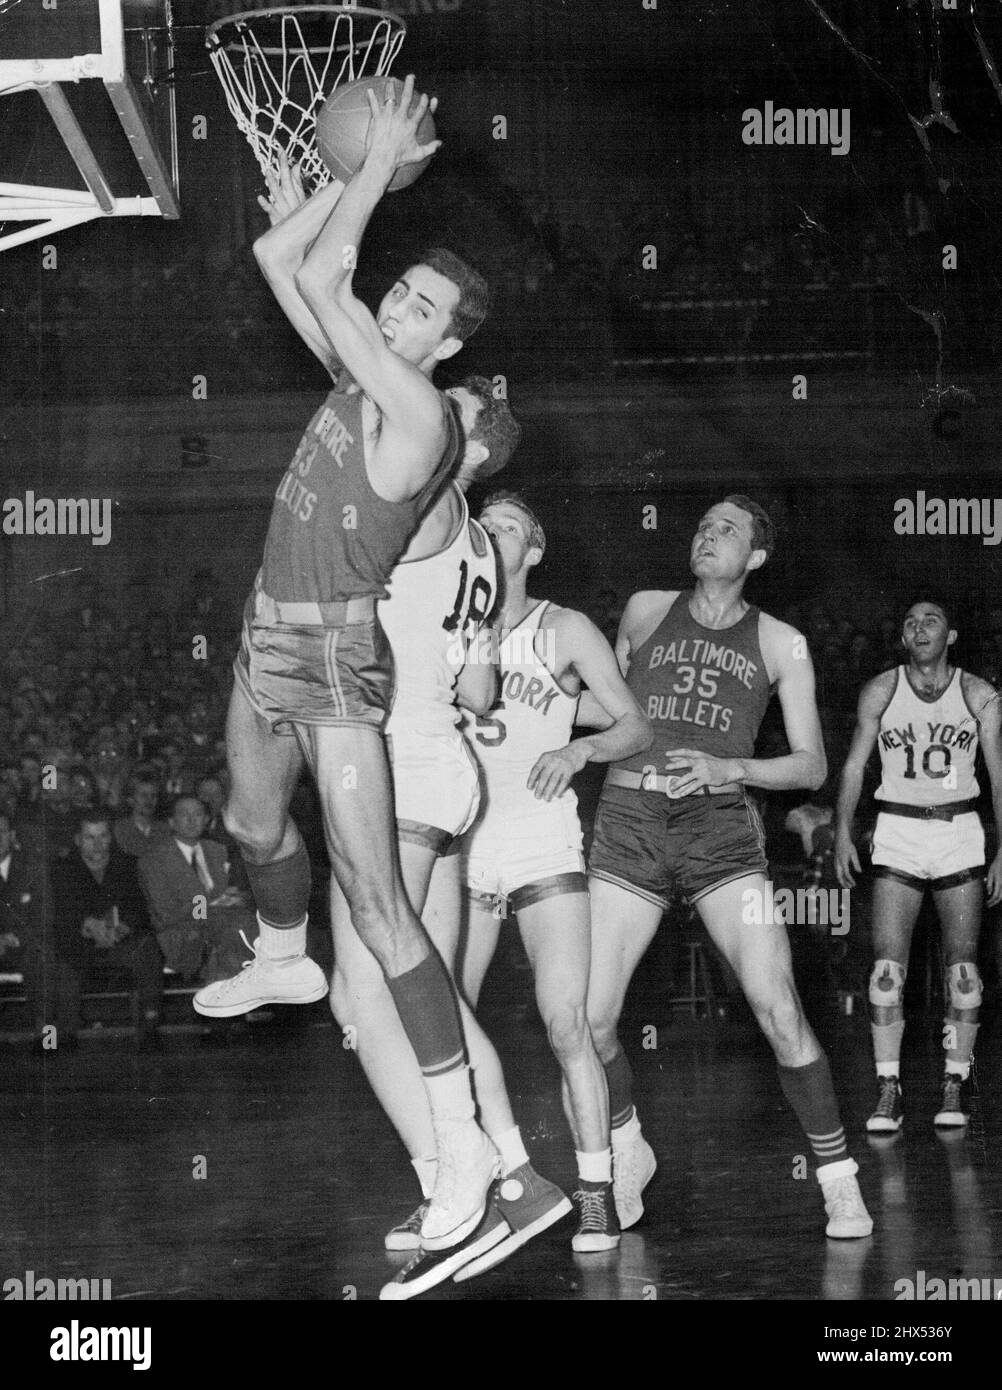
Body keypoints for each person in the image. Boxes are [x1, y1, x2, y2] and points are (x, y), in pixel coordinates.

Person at [192, 78, 499, 1252]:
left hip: (335, 653)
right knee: (251, 825)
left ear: (449, 343)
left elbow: (324, 277)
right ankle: (281, 958)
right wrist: (322, 186)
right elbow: (283, 259)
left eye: (422, 308)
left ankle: (460, 1147)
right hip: (269, 627)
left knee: (377, 905)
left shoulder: (420, 413)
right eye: (402, 294)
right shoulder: (357, 374)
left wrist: (376, 168)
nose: (401, 309)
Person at [332, 383, 571, 1298]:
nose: (418, 410)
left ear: (468, 450)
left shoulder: (430, 501)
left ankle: (452, 1187)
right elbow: (479, 693)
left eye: (445, 409)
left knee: (363, 990)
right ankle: (515, 1171)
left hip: (401, 764)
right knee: (428, 986)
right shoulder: (472, 541)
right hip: (446, 763)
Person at [584, 496, 873, 1239]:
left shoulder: (782, 641)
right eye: (702, 524)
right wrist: (526, 703)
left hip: (719, 828)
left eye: (726, 530)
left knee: (777, 1007)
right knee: (590, 1019)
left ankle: (839, 1180)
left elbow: (811, 765)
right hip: (628, 819)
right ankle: (627, 1144)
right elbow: (606, 711)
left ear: (756, 558)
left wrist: (728, 767)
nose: (706, 534)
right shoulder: (646, 609)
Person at [457, 491, 652, 1252]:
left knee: (568, 1023)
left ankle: (596, 1188)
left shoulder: (563, 627)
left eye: (508, 525)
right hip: (464, 842)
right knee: (447, 1023)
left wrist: (577, 747)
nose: (490, 533)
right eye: (482, 525)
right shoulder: (449, 622)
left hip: (541, 840)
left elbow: (631, 720)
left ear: (535, 549)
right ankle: (463, 1184)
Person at [834, 598, 1002, 1131]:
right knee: (886, 973)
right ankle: (889, 1089)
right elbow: (856, 765)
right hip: (899, 829)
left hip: (957, 831)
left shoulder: (979, 694)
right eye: (909, 622)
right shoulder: (881, 690)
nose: (918, 627)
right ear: (902, 638)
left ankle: (953, 1085)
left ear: (951, 635)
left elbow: (1000, 774)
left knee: (964, 974)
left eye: (931, 620)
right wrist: (841, 829)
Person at [47, 810, 163, 1052]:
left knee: (147, 947)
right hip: (80, 944)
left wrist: (123, 927)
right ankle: (66, 1033)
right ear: (78, 839)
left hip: (121, 942)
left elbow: (141, 908)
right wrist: (87, 924)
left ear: (111, 837)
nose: (98, 843)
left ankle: (150, 1026)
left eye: (103, 836)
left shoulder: (128, 865)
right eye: (90, 837)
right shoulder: (60, 868)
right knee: (60, 956)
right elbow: (58, 913)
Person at [138, 794, 254, 983]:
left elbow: (228, 894)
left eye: (198, 814)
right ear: (172, 822)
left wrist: (234, 898)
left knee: (246, 933)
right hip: (183, 935)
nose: (192, 820)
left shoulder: (217, 851)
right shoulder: (154, 860)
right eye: (184, 814)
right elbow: (166, 914)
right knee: (234, 944)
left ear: (207, 820)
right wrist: (208, 904)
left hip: (224, 927)